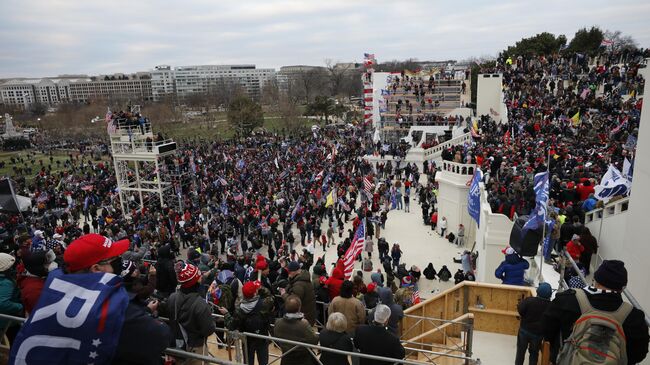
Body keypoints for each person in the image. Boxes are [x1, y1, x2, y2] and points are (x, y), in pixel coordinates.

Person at [543, 260, 649, 364]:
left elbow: (547, 329)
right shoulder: (634, 317)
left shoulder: (567, 300)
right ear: (622, 288)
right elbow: (639, 354)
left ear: (595, 280)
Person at [168, 261, 216, 364]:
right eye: (199, 276)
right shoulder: (201, 305)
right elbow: (209, 330)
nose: (201, 278)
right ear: (194, 281)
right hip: (195, 348)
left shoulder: (172, 297)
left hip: (177, 344)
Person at [224, 280, 274, 365]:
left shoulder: (239, 310)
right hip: (262, 337)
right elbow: (270, 296)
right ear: (255, 293)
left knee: (248, 362)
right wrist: (260, 288)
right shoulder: (265, 304)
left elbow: (231, 325)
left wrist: (226, 314)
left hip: (247, 340)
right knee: (263, 362)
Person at [273, 295, 319, 365]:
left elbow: (276, 337)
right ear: (299, 308)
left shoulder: (278, 322)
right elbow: (314, 341)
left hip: (286, 357)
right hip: (302, 358)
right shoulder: (303, 324)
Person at [515, 282, 552, 365]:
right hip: (537, 335)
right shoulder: (550, 306)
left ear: (538, 291)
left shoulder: (529, 300)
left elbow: (520, 310)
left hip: (524, 331)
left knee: (520, 352)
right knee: (534, 354)